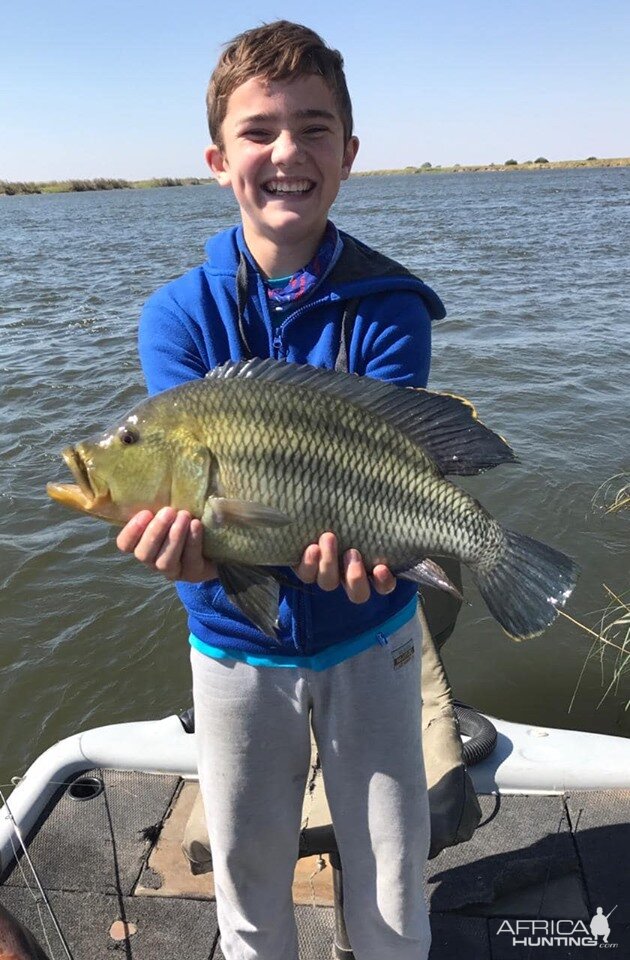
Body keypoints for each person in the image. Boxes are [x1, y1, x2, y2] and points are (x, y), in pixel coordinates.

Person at [117, 20, 445, 960]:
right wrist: (194, 548)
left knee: (391, 878)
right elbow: (191, 499)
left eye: (313, 129)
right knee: (248, 882)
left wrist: (387, 559)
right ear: (220, 159)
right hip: (230, 647)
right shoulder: (179, 316)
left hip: (372, 634)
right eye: (259, 131)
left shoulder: (391, 308)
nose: (287, 152)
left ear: (348, 154)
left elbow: (394, 461)